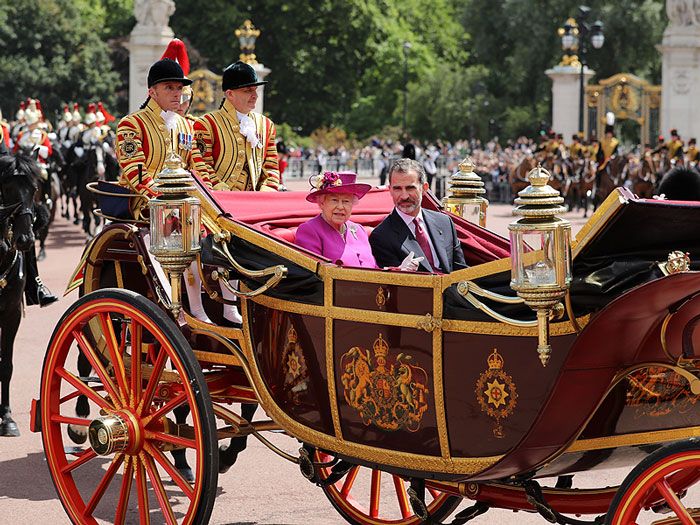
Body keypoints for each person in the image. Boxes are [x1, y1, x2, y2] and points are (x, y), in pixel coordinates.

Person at [115, 43, 212, 220]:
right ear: (152, 92)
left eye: (179, 88)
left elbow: (198, 168)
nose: (177, 94)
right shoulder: (132, 124)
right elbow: (135, 171)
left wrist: (210, 195)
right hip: (142, 205)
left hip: (184, 205)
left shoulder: (187, 125)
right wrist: (166, 201)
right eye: (169, 87)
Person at [370, 158, 467, 273]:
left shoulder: (444, 222)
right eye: (397, 189)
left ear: (424, 188)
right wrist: (401, 272)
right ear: (390, 190)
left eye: (410, 188)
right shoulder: (381, 236)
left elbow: (461, 270)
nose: (404, 196)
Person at [194, 61, 280, 192]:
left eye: (255, 90)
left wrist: (267, 191)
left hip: (255, 203)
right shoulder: (207, 124)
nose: (255, 96)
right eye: (247, 91)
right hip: (220, 203)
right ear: (230, 94)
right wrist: (219, 188)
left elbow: (271, 167)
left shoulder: (266, 125)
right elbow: (202, 166)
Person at [296, 171, 376, 268]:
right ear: (322, 203)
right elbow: (314, 276)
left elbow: (374, 268)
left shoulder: (359, 230)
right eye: (334, 200)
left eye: (346, 201)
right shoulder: (309, 230)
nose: (340, 207)